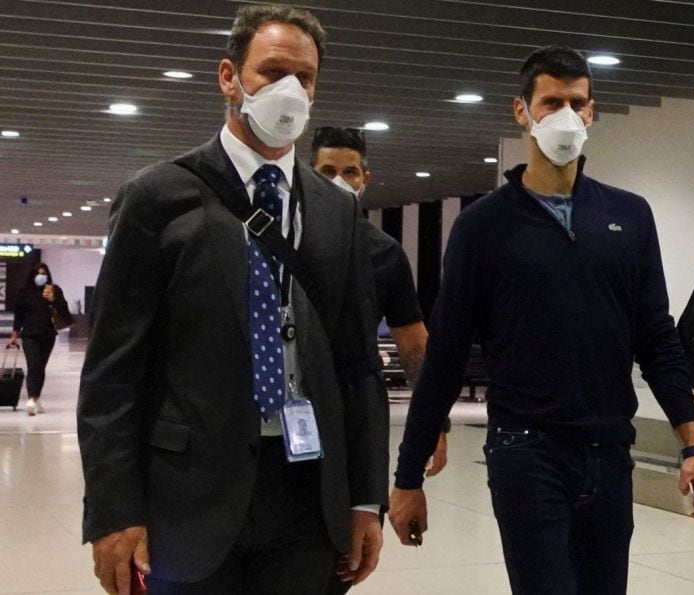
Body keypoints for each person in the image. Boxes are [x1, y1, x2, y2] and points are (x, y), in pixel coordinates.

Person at [78, 4, 390, 594]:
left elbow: (357, 366)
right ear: (229, 77)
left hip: (308, 491)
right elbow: (113, 373)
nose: (290, 90)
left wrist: (366, 498)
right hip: (190, 494)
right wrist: (114, 512)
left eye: (305, 78)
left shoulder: (336, 210)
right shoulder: (158, 197)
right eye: (272, 72)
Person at [388, 45, 694, 594]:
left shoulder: (628, 216)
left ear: (592, 112)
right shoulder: (483, 226)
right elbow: (444, 354)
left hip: (610, 451)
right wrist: (407, 478)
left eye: (577, 103)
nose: (565, 116)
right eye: (551, 103)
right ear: (522, 112)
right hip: (527, 450)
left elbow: (657, 337)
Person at [310, 125, 451, 479]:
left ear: (365, 178)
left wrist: (435, 421)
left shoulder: (385, 254)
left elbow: (414, 346)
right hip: (292, 405)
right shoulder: (281, 242)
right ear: (307, 176)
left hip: (357, 406)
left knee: (357, 525)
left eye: (349, 172)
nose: (339, 181)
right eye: (327, 172)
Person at [9, 263, 69, 416]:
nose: (41, 276)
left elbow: (63, 310)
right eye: (38, 273)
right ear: (33, 275)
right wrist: (15, 334)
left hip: (48, 334)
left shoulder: (54, 291)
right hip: (29, 335)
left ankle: (36, 398)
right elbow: (19, 315)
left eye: (44, 274)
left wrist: (53, 299)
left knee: (40, 367)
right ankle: (31, 399)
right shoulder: (24, 293)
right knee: (33, 364)